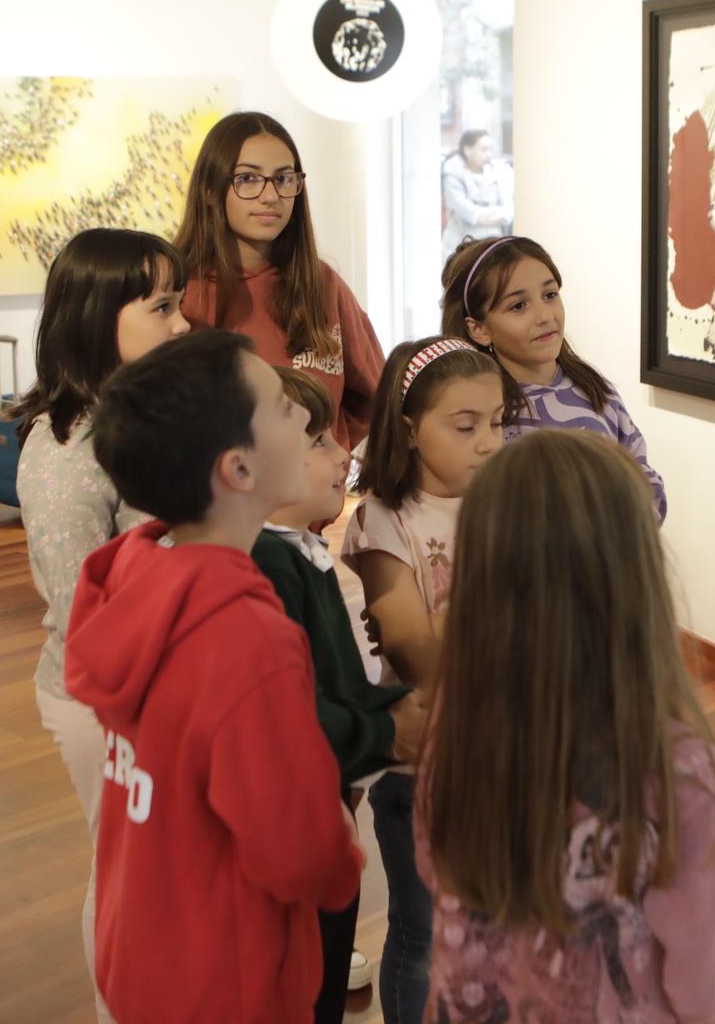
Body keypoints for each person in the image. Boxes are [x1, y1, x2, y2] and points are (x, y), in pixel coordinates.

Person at [66, 329, 365, 1022]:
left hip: (147, 953)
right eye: (283, 410)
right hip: (229, 978)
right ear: (237, 469)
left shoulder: (135, 579)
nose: (304, 418)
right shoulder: (245, 635)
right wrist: (341, 856)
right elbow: (297, 845)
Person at [419, 431, 715, 1022]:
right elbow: (706, 983)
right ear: (638, 577)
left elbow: (433, 865)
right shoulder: (677, 766)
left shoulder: (457, 719)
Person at [8, 227, 188, 1023]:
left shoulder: (135, 419)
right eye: (162, 307)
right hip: (107, 699)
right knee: (127, 875)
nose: (180, 325)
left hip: (161, 685)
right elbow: (84, 612)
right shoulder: (67, 452)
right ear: (97, 315)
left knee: (162, 874)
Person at [253, 367, 428, 1022]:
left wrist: (386, 713)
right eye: (319, 439)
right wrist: (388, 729)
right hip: (297, 820)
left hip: (328, 807)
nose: (343, 453)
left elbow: (340, 680)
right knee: (305, 977)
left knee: (327, 956)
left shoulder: (302, 548)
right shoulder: (267, 565)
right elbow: (296, 704)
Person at [339, 336, 505, 1024]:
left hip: (506, 752)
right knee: (425, 933)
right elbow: (412, 646)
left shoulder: (504, 497)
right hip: (426, 764)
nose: (488, 441)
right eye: (465, 426)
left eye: (498, 421)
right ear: (408, 428)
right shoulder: (383, 518)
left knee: (496, 922)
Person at [175, 110, 384, 449]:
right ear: (211, 188)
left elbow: (378, 400)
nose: (270, 195)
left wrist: (336, 463)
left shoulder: (323, 284)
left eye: (284, 179)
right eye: (247, 179)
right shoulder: (177, 292)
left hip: (321, 498)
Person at [442, 234, 668, 520]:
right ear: (479, 329)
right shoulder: (482, 411)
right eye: (518, 306)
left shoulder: (597, 391)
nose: (544, 316)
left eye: (550, 295)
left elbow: (643, 478)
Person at [441, 128, 513, 246]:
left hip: (493, 242)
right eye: (484, 149)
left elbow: (508, 212)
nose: (488, 154)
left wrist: (482, 214)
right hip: (460, 241)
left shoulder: (499, 171)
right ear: (467, 150)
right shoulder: (452, 172)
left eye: (490, 149)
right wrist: (493, 211)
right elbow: (467, 212)